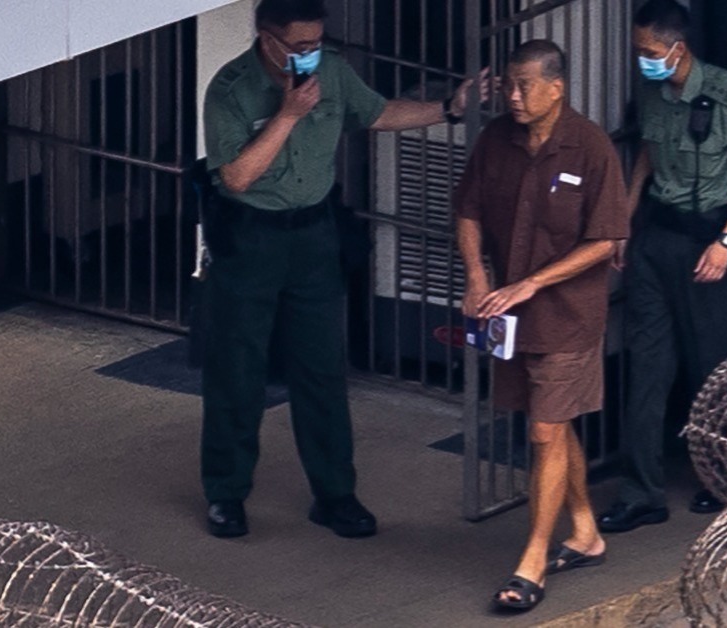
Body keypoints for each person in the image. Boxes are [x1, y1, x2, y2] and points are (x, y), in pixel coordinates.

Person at [199, 0, 487, 540]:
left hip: (313, 233)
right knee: (237, 369)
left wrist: (449, 108)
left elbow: (376, 113)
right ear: (267, 39)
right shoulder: (231, 89)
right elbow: (236, 177)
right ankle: (226, 492)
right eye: (299, 46)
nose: (311, 54)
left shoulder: (331, 71)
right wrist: (287, 114)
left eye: (316, 43)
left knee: (322, 368)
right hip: (250, 235)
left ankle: (335, 494)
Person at [454, 40, 629, 611]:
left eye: (524, 85)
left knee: (544, 432)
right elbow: (468, 210)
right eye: (508, 84)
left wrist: (534, 282)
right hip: (509, 312)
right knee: (549, 421)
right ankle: (586, 532)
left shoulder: (591, 147)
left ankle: (532, 562)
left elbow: (606, 239)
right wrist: (477, 277)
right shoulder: (495, 139)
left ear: (557, 89)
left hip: (570, 315)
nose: (513, 96)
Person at [596, 0, 727, 534]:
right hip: (656, 238)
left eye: (650, 51)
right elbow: (648, 155)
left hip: (705, 242)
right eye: (639, 51)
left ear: (678, 48)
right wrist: (625, 221)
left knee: (710, 368)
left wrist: (726, 242)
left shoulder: (723, 91)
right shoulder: (653, 92)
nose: (643, 60)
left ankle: (722, 480)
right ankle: (641, 493)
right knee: (647, 368)